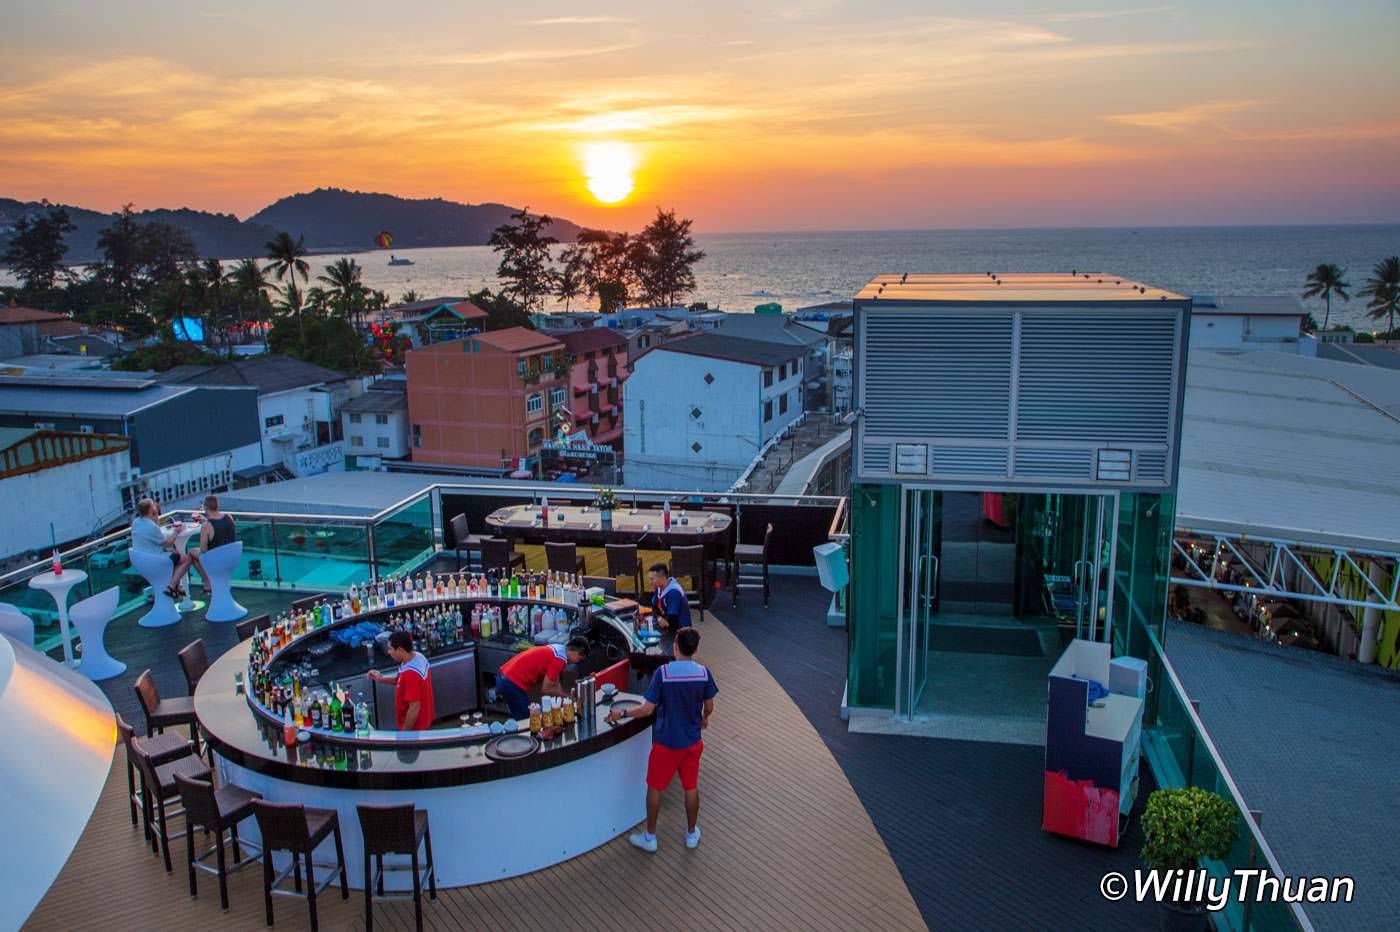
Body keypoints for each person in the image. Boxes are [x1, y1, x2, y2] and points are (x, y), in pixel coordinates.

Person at [608, 627, 716, 851]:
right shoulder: (704, 673)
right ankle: (691, 833)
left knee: (655, 788)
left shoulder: (663, 674)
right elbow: (709, 706)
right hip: (693, 741)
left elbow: (647, 710)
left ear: (675, 646)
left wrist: (623, 713)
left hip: (667, 742)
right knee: (691, 788)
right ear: (695, 649)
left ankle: (650, 838)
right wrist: (703, 718)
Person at [495, 637, 590, 721]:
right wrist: (567, 697)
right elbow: (546, 689)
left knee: (531, 715)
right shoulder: (559, 660)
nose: (576, 662)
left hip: (504, 676)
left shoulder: (559, 649)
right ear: (575, 654)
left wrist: (563, 699)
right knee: (528, 720)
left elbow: (555, 681)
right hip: (509, 683)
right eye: (579, 659)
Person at [129, 497, 194, 600]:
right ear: (151, 510)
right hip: (154, 560)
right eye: (153, 505)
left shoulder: (136, 522)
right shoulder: (150, 526)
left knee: (176, 552)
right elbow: (167, 543)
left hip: (141, 558)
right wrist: (176, 531)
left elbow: (155, 528)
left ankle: (177, 586)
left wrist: (156, 514)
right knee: (187, 559)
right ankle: (171, 587)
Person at [369, 630, 435, 730]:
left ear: (400, 650)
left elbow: (414, 708)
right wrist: (381, 679)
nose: (389, 652)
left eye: (390, 649)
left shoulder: (411, 675)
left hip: (415, 729)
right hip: (423, 721)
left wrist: (404, 735)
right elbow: (401, 681)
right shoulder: (417, 657)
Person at [648, 563, 692, 631]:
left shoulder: (674, 592)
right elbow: (654, 607)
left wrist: (661, 621)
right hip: (668, 625)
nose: (650, 582)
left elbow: (672, 620)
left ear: (662, 579)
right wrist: (658, 618)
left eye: (652, 579)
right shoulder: (659, 588)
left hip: (680, 631)